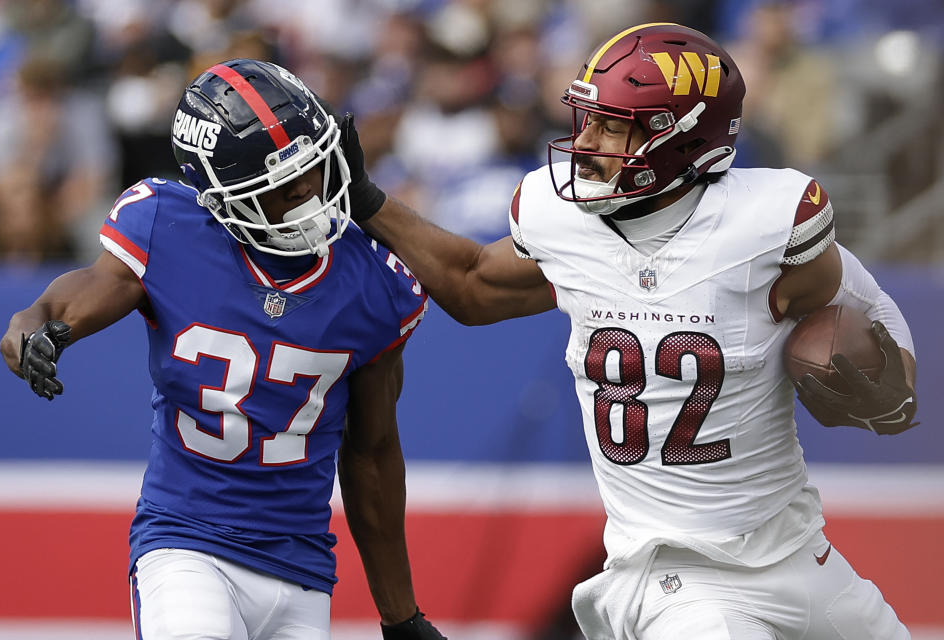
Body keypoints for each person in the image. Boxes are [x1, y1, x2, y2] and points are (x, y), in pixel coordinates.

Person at [340, 22, 920, 640]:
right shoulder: (562, 225)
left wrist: (891, 381)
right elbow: (472, 284)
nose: (584, 142)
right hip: (676, 575)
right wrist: (369, 199)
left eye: (611, 125)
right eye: (587, 119)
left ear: (679, 137)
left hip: (800, 552)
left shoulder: (768, 227)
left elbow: (867, 305)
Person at [0, 59, 445, 640]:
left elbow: (372, 455)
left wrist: (400, 614)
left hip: (303, 566)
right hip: (188, 544)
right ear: (222, 196)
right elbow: (83, 293)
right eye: (283, 184)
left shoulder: (374, 280)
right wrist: (34, 326)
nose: (310, 190)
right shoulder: (167, 225)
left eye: (313, 166)